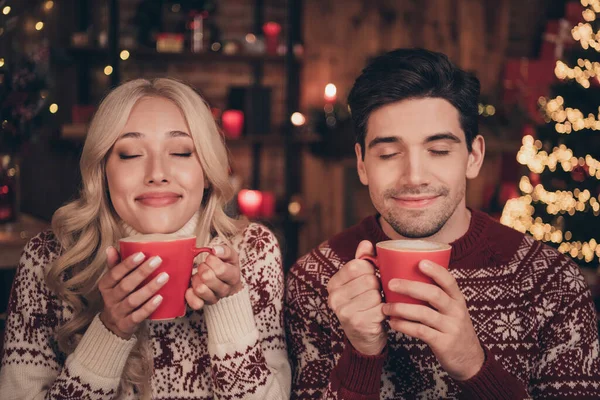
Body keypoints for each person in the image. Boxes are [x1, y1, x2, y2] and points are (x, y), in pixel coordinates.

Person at [285, 48, 600, 399]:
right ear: (362, 164)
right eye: (389, 154)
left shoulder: (552, 283)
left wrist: (472, 364)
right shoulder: (315, 281)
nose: (414, 177)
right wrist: (361, 355)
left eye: (438, 150)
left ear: (473, 156)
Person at [0, 78, 291, 399]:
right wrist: (109, 331)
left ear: (207, 171)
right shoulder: (49, 259)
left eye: (180, 152)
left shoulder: (253, 250)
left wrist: (228, 304)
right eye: (130, 154)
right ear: (103, 172)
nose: (157, 172)